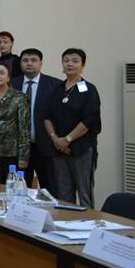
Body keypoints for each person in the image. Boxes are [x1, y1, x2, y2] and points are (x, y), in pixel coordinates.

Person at [45, 48, 101, 208]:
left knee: (84, 193)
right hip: (59, 148)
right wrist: (56, 139)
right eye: (66, 60)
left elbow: (90, 119)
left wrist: (68, 139)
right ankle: (67, 222)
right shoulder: (57, 89)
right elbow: (47, 117)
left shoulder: (89, 89)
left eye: (75, 61)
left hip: (81, 148)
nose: (70, 64)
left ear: (83, 65)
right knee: (63, 194)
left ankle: (88, 223)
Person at [12, 48, 63, 195]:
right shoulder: (11, 84)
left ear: (41, 63)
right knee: (19, 190)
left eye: (33, 60)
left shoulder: (55, 85)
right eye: (25, 60)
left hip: (46, 146)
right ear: (20, 63)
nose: (29, 63)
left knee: (51, 191)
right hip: (18, 148)